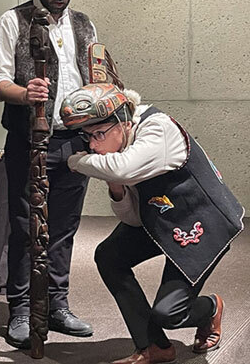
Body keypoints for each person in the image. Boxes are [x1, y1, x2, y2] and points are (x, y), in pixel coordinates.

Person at [60, 82, 244, 364]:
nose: (94, 145)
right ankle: (153, 346)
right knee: (109, 256)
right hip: (163, 218)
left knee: (169, 313)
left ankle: (210, 308)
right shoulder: (119, 149)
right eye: (87, 138)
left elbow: (123, 167)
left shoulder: (157, 128)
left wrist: (75, 161)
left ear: (122, 122)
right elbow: (133, 219)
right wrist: (117, 189)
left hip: (204, 223)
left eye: (98, 134)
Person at [0, 0, 97, 349]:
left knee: (64, 227)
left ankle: (56, 304)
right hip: (29, 140)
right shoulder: (13, 21)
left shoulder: (84, 24)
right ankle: (20, 307)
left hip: (75, 140)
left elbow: (92, 77)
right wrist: (24, 92)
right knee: (25, 225)